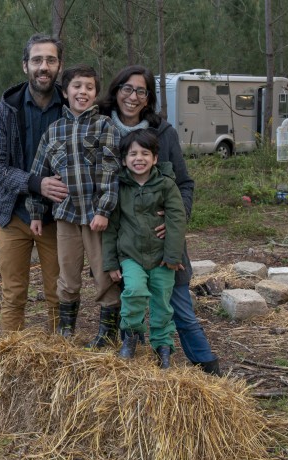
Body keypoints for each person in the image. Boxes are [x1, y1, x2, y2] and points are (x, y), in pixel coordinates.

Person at [97, 64, 221, 375]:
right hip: (125, 241)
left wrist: (176, 220)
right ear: (116, 91)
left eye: (141, 90)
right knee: (128, 297)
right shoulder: (99, 128)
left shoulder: (163, 133)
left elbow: (184, 183)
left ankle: (205, 364)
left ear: (149, 97)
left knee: (176, 301)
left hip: (163, 238)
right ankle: (129, 344)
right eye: (127, 88)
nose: (133, 96)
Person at [27, 64, 121, 338]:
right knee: (67, 277)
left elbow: (111, 171)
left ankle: (108, 335)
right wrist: (36, 212)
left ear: (95, 94)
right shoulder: (53, 131)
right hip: (66, 216)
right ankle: (66, 331)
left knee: (104, 277)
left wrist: (104, 210)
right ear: (65, 93)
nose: (83, 92)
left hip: (96, 218)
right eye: (77, 86)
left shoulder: (105, 126)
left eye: (89, 88)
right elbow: (39, 172)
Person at [0, 34, 70, 334]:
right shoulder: (6, 110)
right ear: (25, 66)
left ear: (59, 65)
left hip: (58, 218)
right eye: (37, 60)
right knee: (13, 295)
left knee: (59, 295)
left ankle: (60, 360)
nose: (43, 67)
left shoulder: (71, 109)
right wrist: (36, 183)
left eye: (50, 60)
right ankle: (9, 360)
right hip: (14, 216)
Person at [103, 129, 186, 368]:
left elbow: (177, 220)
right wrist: (110, 263)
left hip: (162, 257)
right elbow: (111, 227)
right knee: (134, 292)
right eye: (132, 154)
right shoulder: (119, 187)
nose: (139, 158)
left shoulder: (166, 185)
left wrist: (172, 255)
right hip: (131, 256)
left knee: (162, 301)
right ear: (124, 160)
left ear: (155, 158)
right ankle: (130, 337)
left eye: (145, 153)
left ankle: (163, 347)